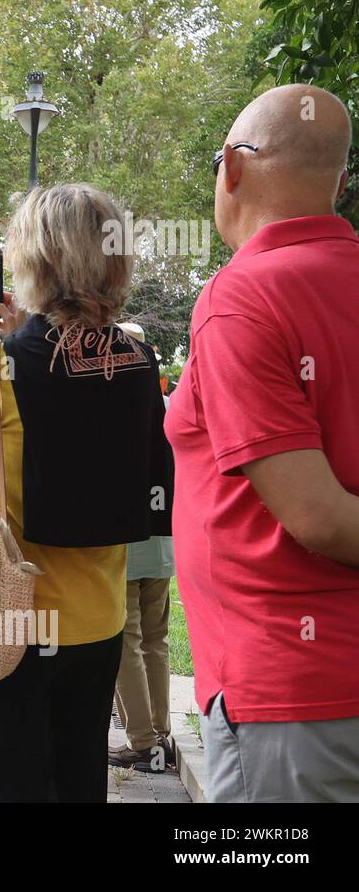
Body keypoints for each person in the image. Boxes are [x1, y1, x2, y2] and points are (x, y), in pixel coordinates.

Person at [0, 184, 172, 803]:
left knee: (15, 784)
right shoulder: (140, 360)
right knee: (79, 779)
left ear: (36, 263)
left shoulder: (0, 362)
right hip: (99, 620)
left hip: (16, 617)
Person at [165, 84, 359, 802]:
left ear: (234, 170)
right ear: (338, 183)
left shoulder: (241, 296)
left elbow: (318, 519)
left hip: (291, 699)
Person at [107, 321, 176, 774]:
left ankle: (143, 740)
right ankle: (160, 735)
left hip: (127, 539)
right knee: (157, 639)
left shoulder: (114, 409)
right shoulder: (167, 405)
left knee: (126, 640)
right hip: (166, 535)